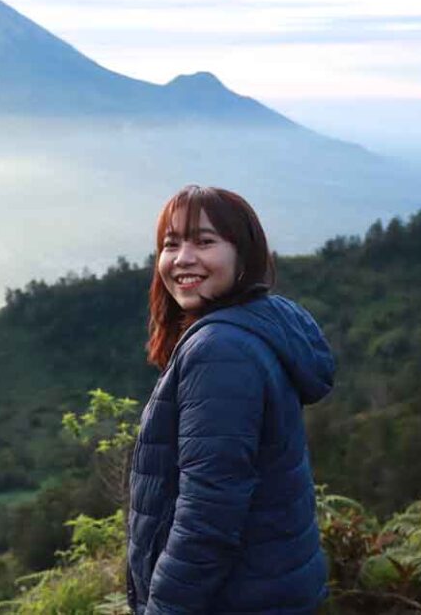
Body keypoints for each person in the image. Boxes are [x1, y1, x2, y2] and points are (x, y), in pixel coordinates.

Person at [127, 185, 334, 615]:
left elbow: (207, 517)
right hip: (269, 589)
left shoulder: (221, 350)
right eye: (172, 244)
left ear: (244, 255)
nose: (183, 258)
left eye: (204, 241)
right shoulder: (260, 325)